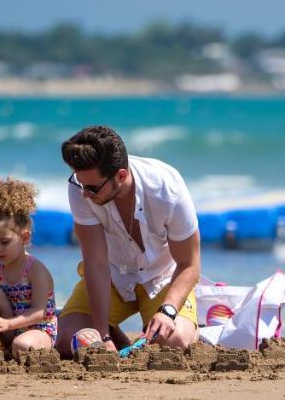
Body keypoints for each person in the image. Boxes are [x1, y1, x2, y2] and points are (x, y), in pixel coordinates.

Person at [56, 125, 201, 355]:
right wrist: (102, 334)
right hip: (112, 277)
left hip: (161, 279)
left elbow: (190, 265)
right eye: (81, 185)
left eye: (92, 188)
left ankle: (185, 323)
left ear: (120, 176)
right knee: (67, 340)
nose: (85, 194)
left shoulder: (167, 188)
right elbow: (96, 264)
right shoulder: (80, 187)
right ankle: (112, 334)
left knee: (175, 343)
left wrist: (168, 311)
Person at [0, 177, 58, 356]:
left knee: (22, 345)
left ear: (25, 237)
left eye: (4, 242)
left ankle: (12, 348)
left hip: (39, 330)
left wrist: (8, 324)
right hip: (8, 331)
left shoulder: (36, 270)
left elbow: (40, 312)